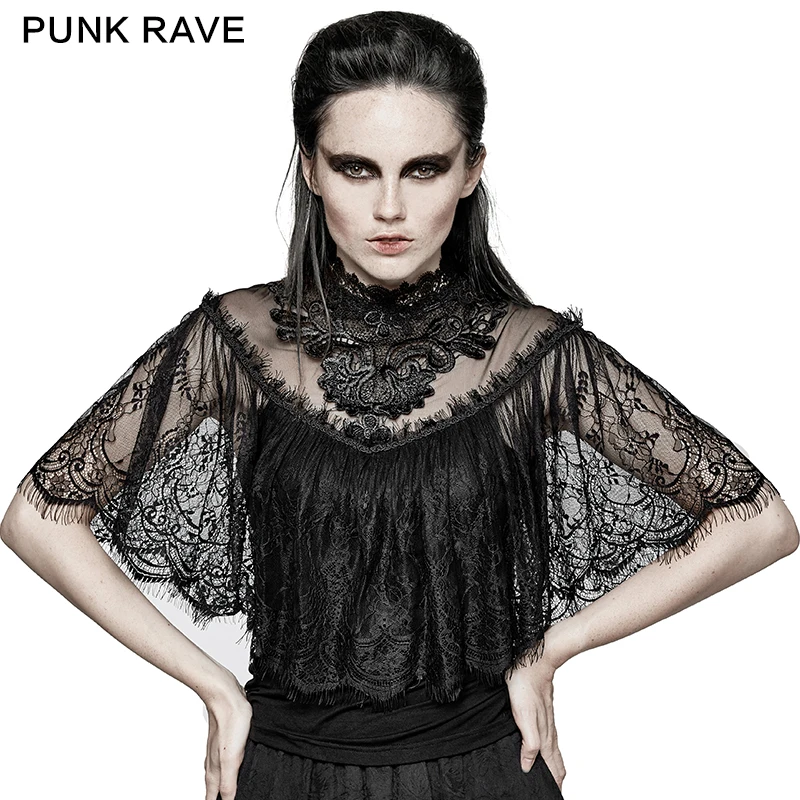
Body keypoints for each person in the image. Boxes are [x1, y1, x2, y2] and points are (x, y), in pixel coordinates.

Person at [1, 9, 797, 800]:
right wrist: (213, 687)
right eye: (356, 168)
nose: (390, 208)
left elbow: (758, 522)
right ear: (311, 169)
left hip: (486, 772)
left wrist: (551, 651)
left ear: (471, 170)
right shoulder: (237, 342)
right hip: (284, 773)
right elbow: (38, 519)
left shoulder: (530, 352)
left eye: (423, 169)